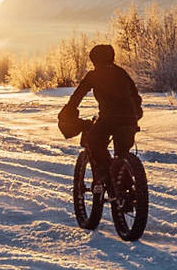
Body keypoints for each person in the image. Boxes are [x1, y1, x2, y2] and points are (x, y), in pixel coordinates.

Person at [60, 44, 143, 180]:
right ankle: (124, 185)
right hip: (130, 119)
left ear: (94, 60)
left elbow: (77, 96)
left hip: (109, 119)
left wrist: (69, 111)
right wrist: (136, 114)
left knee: (93, 141)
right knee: (122, 153)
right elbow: (135, 96)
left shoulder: (94, 75)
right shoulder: (121, 73)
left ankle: (105, 174)